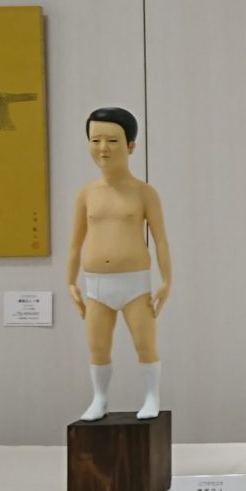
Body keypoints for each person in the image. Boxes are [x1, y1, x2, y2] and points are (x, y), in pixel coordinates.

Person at [66, 107, 172, 422]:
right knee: (97, 347)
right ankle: (100, 399)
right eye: (95, 140)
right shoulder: (86, 194)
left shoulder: (144, 193)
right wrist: (70, 281)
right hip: (96, 285)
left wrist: (166, 281)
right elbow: (75, 243)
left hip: (135, 284)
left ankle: (151, 396)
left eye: (112, 140)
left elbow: (161, 240)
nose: (103, 148)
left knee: (144, 343)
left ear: (131, 146)